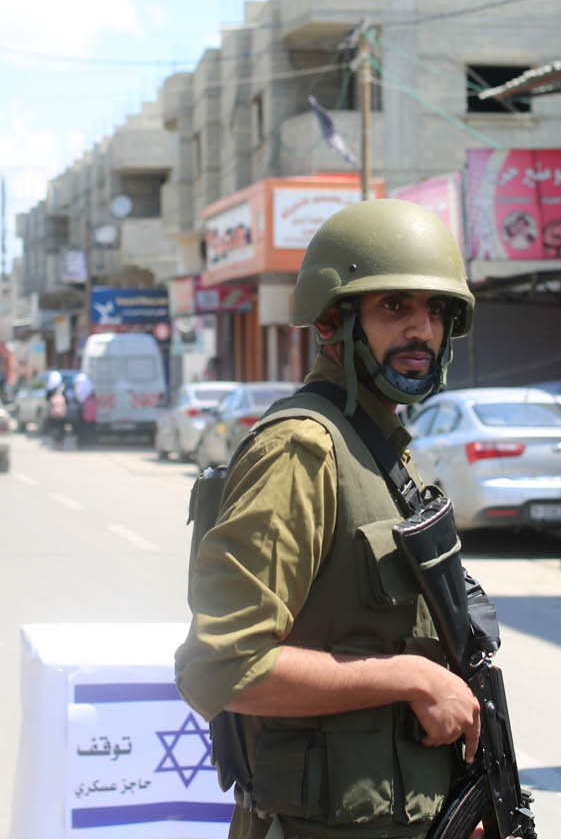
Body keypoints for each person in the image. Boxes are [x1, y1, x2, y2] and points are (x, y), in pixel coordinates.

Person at [175, 199, 481, 839]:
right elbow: (223, 666)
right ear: (331, 323)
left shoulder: (384, 451)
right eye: (394, 307)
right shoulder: (303, 449)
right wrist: (410, 679)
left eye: (436, 310)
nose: (421, 329)